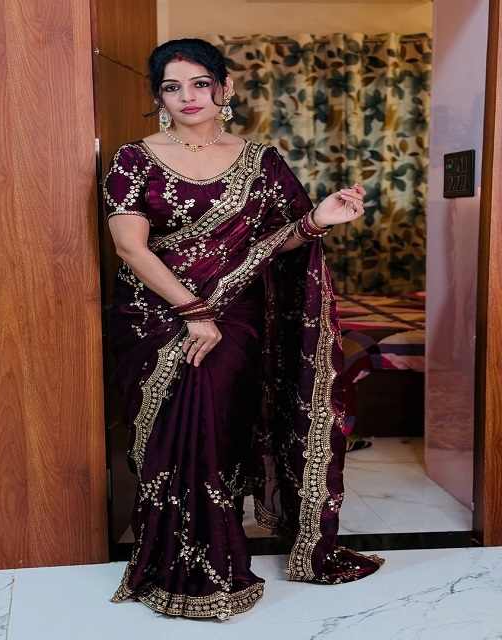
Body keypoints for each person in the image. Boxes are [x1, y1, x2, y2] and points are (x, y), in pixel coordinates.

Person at [102, 37, 385, 622]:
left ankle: (213, 559)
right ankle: (170, 561)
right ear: (158, 97)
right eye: (172, 87)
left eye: (199, 83)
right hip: (155, 315)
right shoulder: (135, 158)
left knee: (215, 417)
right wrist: (192, 312)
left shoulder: (262, 161)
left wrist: (318, 220)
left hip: (234, 315)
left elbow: (279, 242)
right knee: (170, 428)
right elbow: (130, 247)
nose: (187, 96)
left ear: (224, 88)